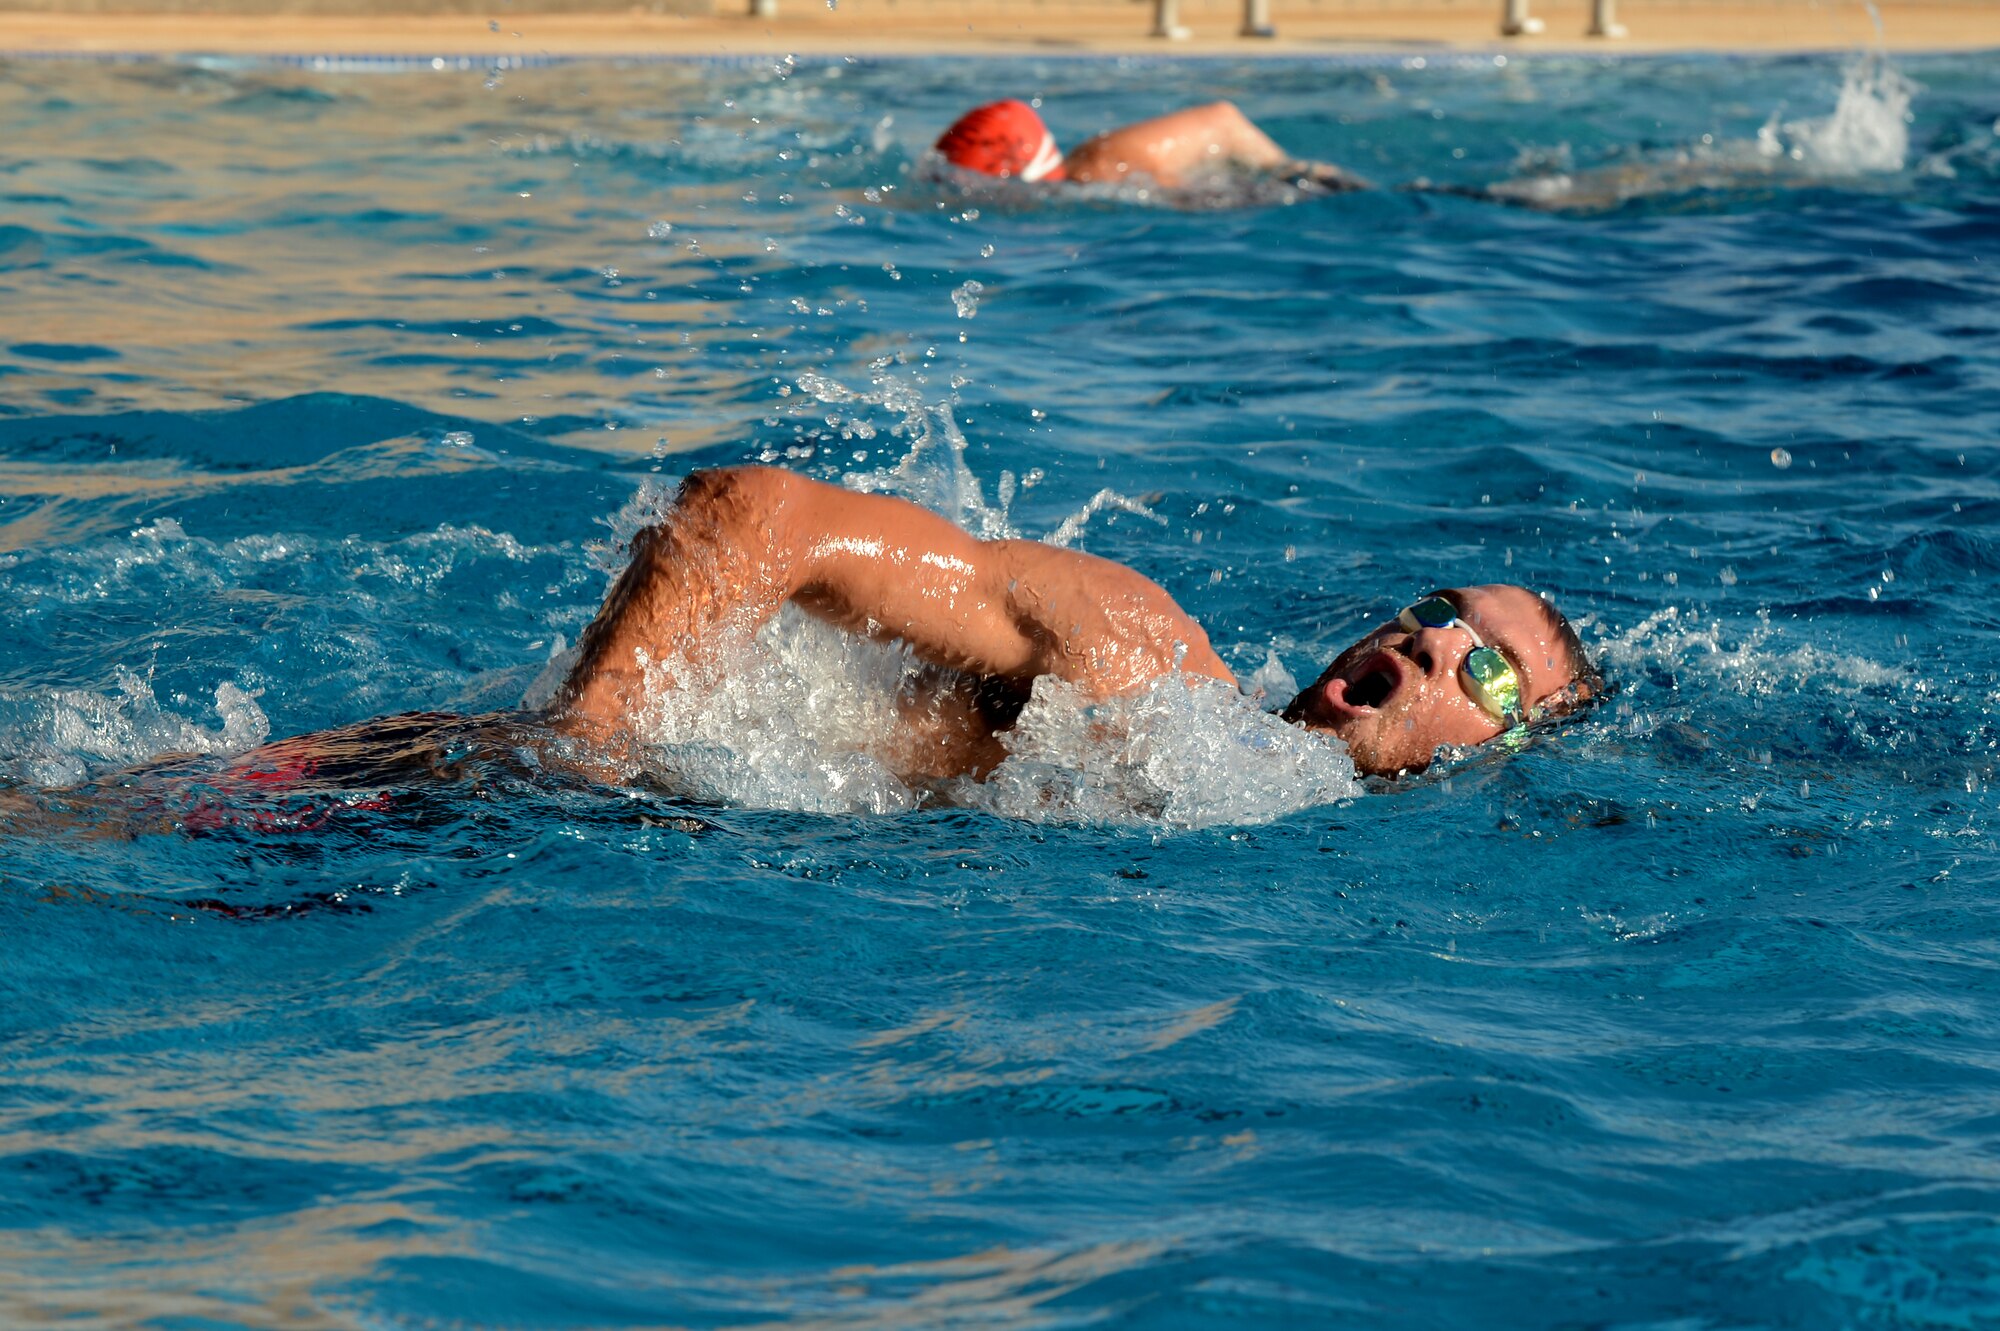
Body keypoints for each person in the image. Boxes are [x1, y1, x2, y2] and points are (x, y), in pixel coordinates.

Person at [550, 467, 1599, 780]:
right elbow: (754, 511)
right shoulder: (1138, 656)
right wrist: (587, 741)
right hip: (493, 805)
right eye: (1438, 611)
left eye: (1491, 675)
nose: (1435, 642)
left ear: (1500, 757)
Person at [931, 98, 1368, 194]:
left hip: (1298, 180)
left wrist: (1280, 170)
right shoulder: (1085, 173)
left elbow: (1224, 118)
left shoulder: (1107, 169)